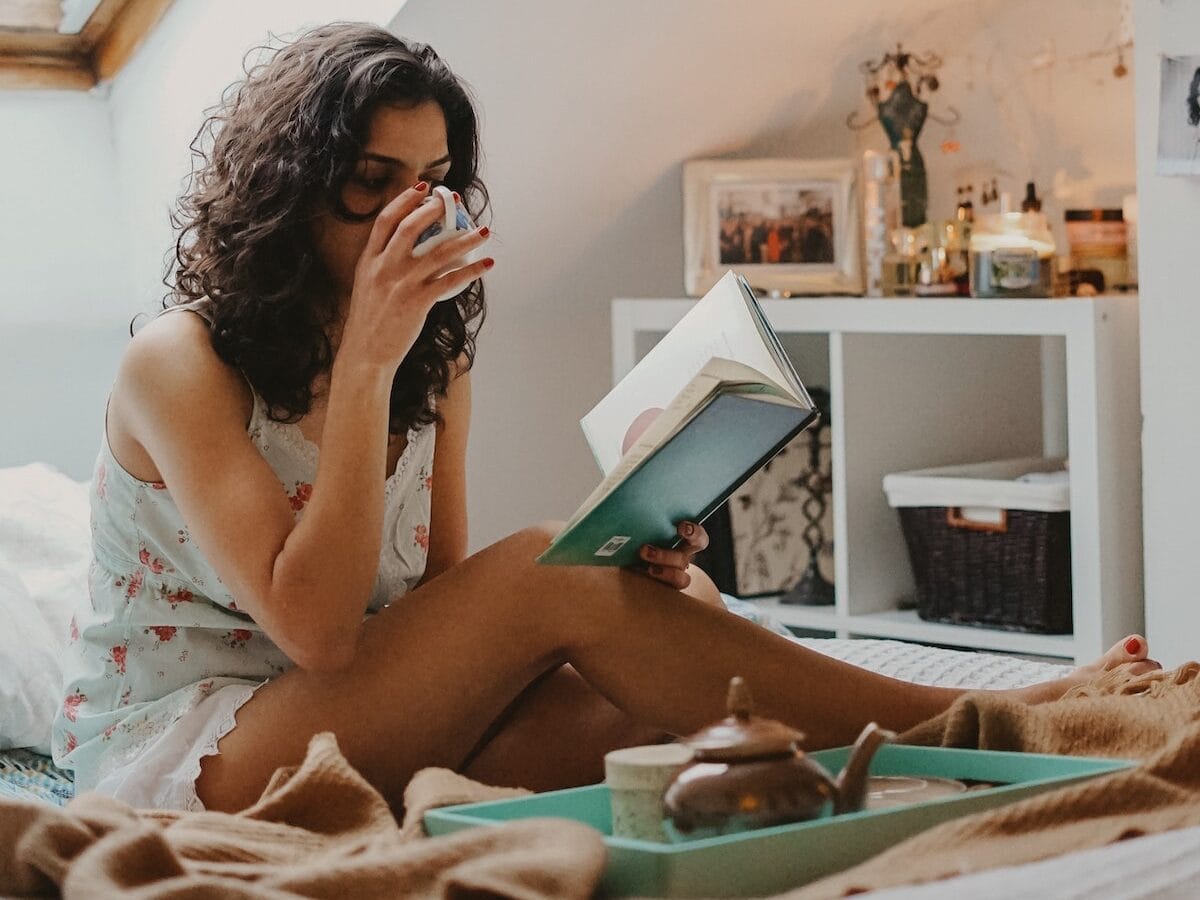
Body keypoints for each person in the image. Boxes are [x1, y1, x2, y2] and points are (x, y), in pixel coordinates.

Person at [50, 22, 1159, 816]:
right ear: (290, 189)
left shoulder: (435, 352)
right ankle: (982, 722)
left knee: (662, 684)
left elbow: (429, 615)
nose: (411, 213)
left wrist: (627, 563)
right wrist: (365, 369)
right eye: (371, 179)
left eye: (432, 180)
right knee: (550, 569)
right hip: (201, 746)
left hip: (344, 711)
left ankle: (926, 744)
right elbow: (322, 633)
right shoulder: (180, 363)